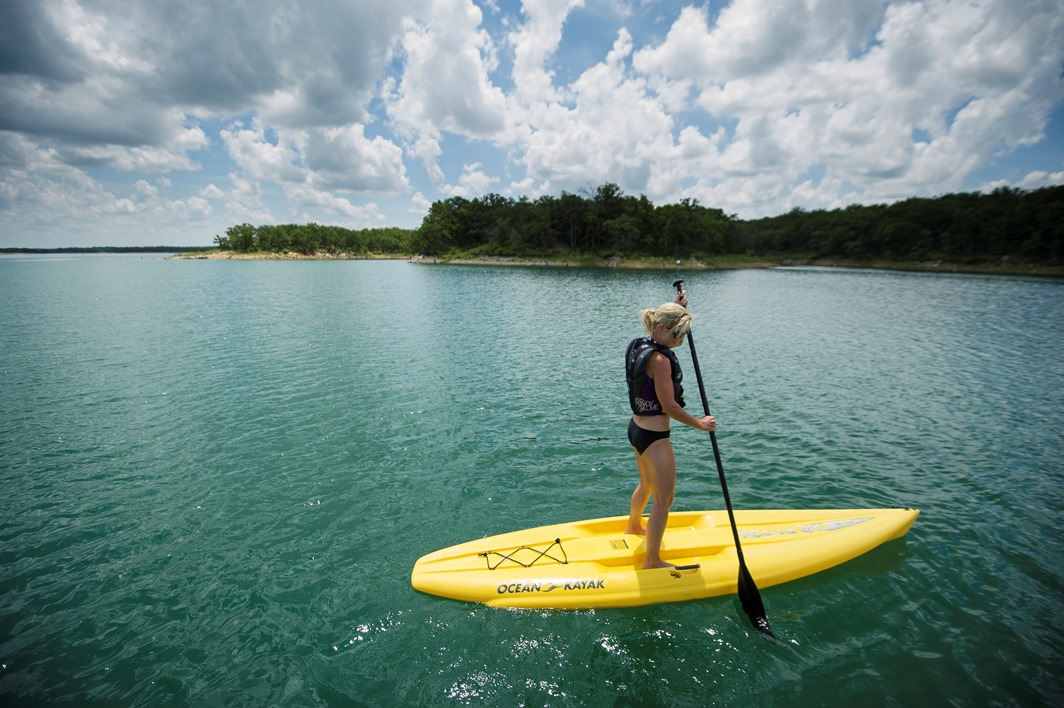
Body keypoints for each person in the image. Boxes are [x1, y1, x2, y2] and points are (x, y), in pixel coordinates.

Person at [624, 292, 716, 569]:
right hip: (655, 439)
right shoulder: (660, 361)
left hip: (636, 429)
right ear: (662, 329)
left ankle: (633, 527)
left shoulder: (641, 343)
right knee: (664, 500)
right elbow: (670, 407)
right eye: (678, 335)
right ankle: (652, 561)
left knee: (647, 485)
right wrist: (700, 424)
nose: (681, 341)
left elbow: (665, 322)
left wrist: (678, 307)